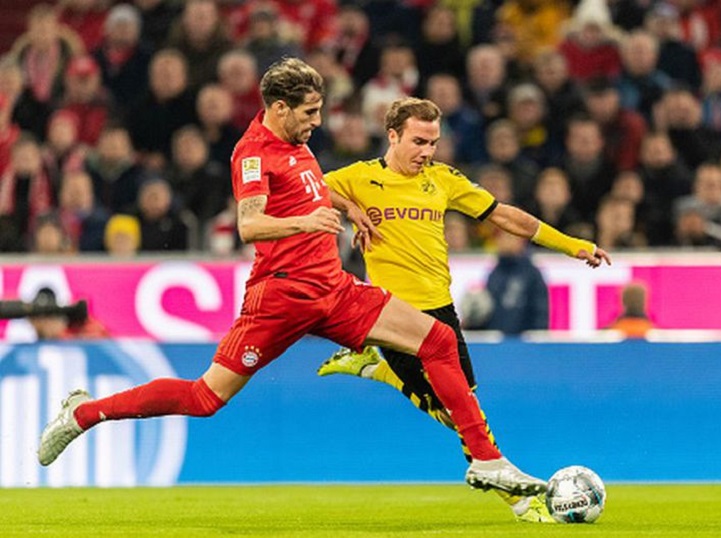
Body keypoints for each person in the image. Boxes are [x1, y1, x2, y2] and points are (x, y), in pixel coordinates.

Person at [37, 59, 547, 499]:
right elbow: (249, 224)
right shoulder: (252, 153)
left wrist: (347, 206)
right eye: (309, 112)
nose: (317, 122)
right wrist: (306, 222)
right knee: (205, 398)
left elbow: (313, 189)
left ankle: (486, 461)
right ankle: (85, 413)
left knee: (438, 341)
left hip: (333, 289)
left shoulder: (297, 144)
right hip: (282, 294)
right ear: (280, 108)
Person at [318, 97, 611, 521]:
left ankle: (374, 368)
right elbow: (307, 187)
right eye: (419, 141)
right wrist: (349, 206)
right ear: (393, 136)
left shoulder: (443, 179)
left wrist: (571, 245)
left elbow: (504, 216)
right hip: (393, 313)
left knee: (460, 409)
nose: (427, 152)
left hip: (441, 311)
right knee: (463, 413)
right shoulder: (359, 177)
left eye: (433, 142)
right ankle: (521, 503)